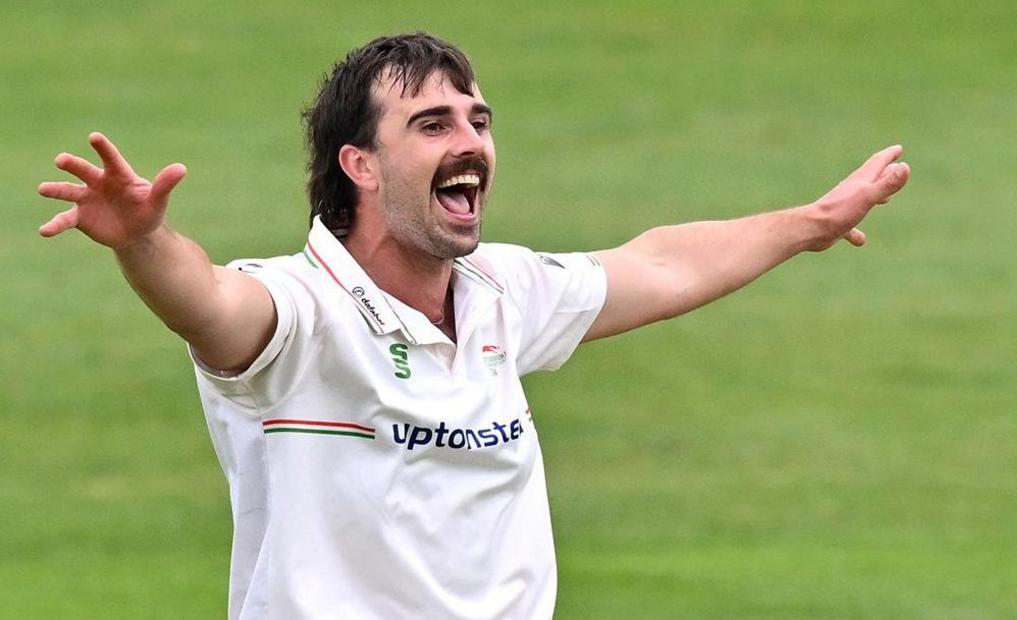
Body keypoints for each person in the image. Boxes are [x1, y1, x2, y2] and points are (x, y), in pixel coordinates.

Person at [37, 32, 910, 620]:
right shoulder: (300, 311)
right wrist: (145, 241)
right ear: (361, 165)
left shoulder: (500, 291)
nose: (472, 142)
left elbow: (660, 263)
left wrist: (811, 224)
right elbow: (209, 302)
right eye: (433, 125)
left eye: (478, 121)